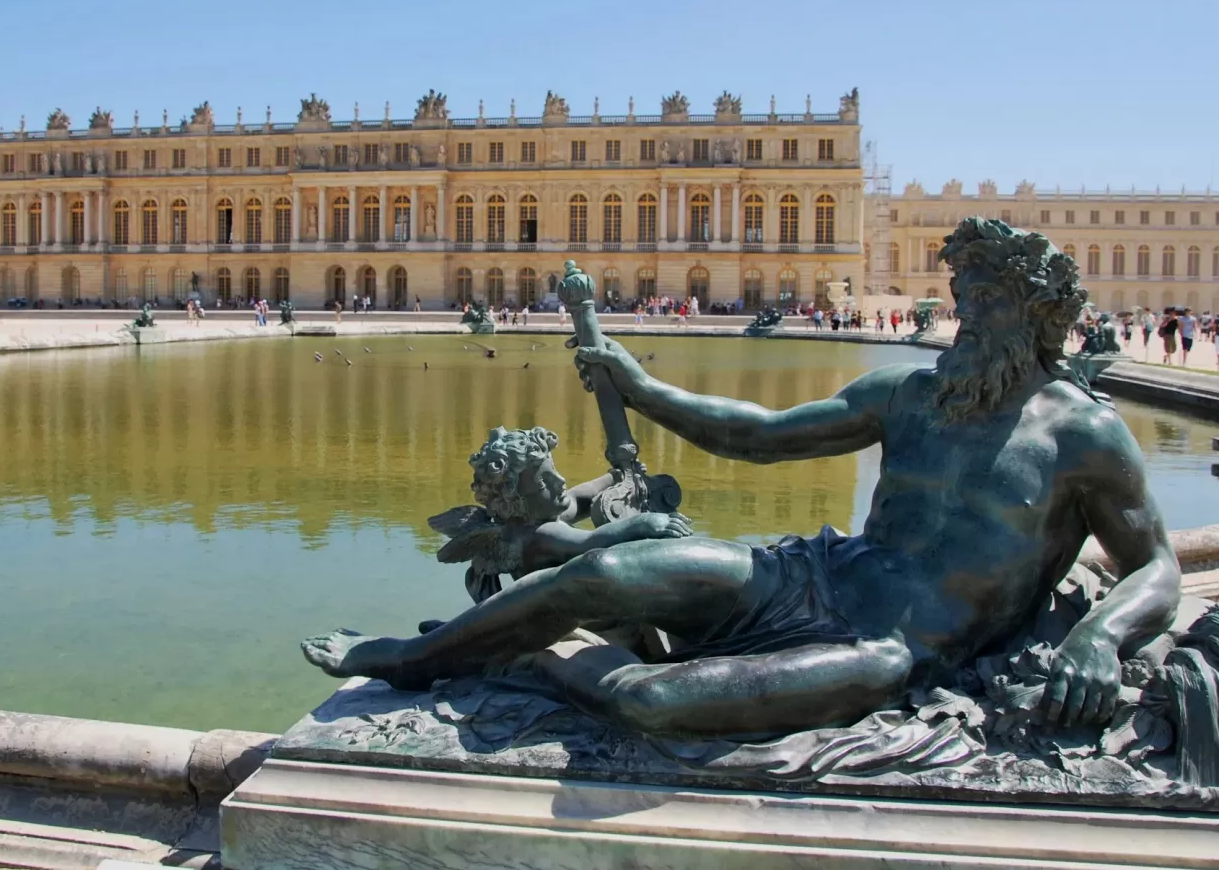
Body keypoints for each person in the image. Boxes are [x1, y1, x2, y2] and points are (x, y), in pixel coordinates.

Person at [303, 217, 1180, 738]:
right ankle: (414, 657)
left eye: (985, 298)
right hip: (816, 576)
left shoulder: (1085, 436)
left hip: (895, 648)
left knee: (654, 703)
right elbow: (759, 434)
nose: (964, 314)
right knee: (606, 570)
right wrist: (640, 386)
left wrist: (1098, 635)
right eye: (964, 293)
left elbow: (1156, 567)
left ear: (1038, 315)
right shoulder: (912, 394)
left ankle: (539, 650)